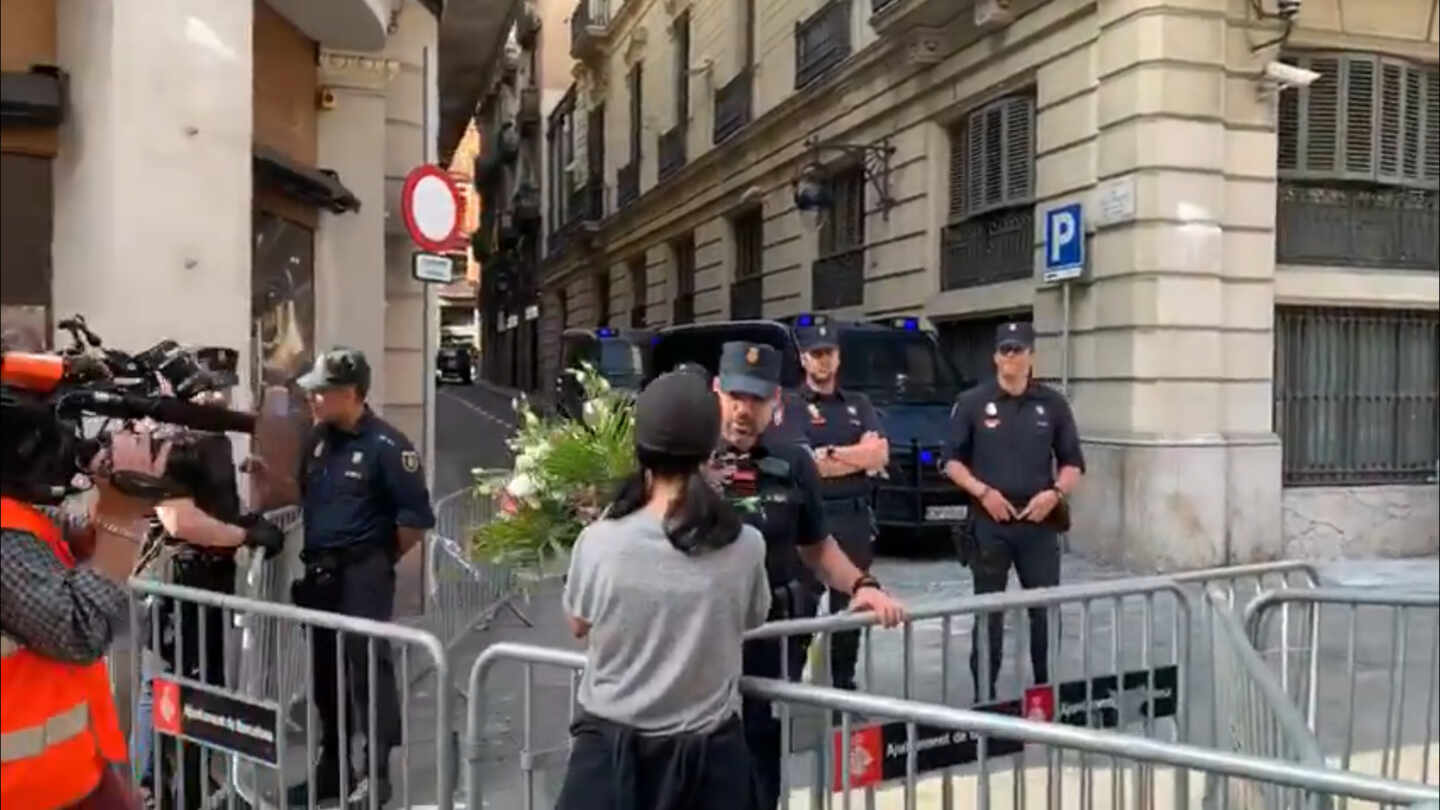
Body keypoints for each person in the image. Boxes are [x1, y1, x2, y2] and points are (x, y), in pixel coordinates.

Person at [556, 371, 769, 810]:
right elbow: (753, 618)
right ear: (711, 450)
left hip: (610, 764)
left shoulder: (599, 542)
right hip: (710, 769)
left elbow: (579, 622)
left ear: (641, 451)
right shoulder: (745, 545)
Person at [708, 341, 907, 810]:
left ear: (776, 399)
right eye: (735, 396)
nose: (743, 410)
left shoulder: (793, 463)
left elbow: (817, 547)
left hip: (771, 639)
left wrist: (863, 586)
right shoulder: (685, 459)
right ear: (716, 391)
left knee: (761, 759)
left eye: (756, 399)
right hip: (703, 640)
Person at [256, 348, 435, 808]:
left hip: (363, 572)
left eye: (322, 390)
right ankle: (331, 768)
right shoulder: (318, 441)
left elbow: (413, 522)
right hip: (321, 574)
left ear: (351, 393)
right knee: (325, 675)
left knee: (366, 674)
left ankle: (375, 776)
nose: (312, 398)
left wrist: (374, 561)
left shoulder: (389, 448)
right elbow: (306, 494)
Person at [0, 346, 173, 809]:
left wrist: (111, 504)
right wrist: (124, 518)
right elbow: (79, 628)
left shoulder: (20, 519)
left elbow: (74, 545)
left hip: (70, 778)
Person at [940, 322, 1085, 698]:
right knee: (989, 614)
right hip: (990, 525)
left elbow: (1073, 464)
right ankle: (984, 697)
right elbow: (951, 462)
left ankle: (1043, 693)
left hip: (1039, 525)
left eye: (1018, 350)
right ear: (994, 357)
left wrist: (1053, 494)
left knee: (1043, 613)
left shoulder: (1052, 404)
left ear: (1031, 356)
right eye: (1005, 350)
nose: (1011, 358)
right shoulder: (972, 403)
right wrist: (983, 491)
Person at [784, 323, 889, 693]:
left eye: (829, 353)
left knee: (853, 605)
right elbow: (803, 463)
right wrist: (853, 456)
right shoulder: (792, 404)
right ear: (803, 359)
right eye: (816, 354)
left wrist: (830, 454)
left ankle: (843, 683)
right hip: (812, 515)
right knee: (801, 605)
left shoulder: (858, 404)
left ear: (839, 357)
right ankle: (790, 684)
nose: (823, 361)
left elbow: (879, 455)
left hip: (855, 516)